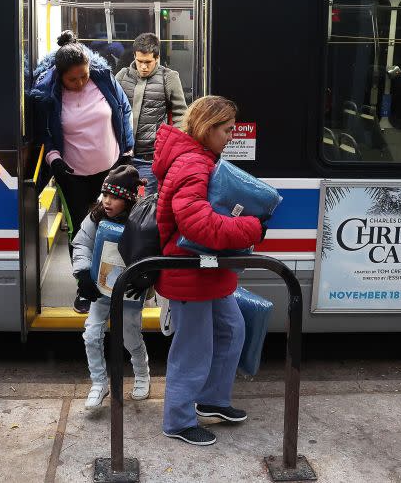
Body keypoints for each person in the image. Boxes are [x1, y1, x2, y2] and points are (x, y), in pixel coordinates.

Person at [152, 96, 267, 446]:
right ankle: (178, 420)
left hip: (206, 272)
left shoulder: (200, 159)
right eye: (227, 130)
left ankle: (212, 401)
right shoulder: (192, 164)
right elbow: (198, 225)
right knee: (193, 350)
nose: (232, 136)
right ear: (207, 128)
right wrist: (251, 227)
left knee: (232, 331)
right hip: (190, 272)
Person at [30, 30, 135, 314]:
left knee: (114, 225)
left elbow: (123, 110)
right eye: (72, 79)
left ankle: (115, 282)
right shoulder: (47, 92)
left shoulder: (103, 79)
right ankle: (85, 288)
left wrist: (127, 150)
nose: (79, 83)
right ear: (59, 75)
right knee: (80, 230)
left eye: (83, 76)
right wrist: (53, 159)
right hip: (72, 173)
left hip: (110, 168)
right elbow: (45, 134)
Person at [71, 165, 154, 408]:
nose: (107, 201)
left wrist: (147, 278)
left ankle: (141, 374)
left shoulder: (142, 219)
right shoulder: (96, 217)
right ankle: (99, 382)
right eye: (105, 195)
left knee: (130, 335)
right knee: (91, 334)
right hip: (100, 288)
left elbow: (153, 250)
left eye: (114, 197)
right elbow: (82, 244)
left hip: (130, 289)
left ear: (127, 199)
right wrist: (83, 273)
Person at [115, 32, 188, 195]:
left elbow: (181, 117)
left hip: (150, 159)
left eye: (148, 62)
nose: (143, 67)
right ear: (134, 55)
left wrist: (170, 151)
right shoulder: (122, 76)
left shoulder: (169, 78)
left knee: (144, 209)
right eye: (140, 61)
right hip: (122, 157)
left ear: (157, 58)